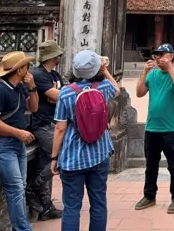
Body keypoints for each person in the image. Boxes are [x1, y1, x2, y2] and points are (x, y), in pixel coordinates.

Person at [50, 51, 119, 231]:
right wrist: (105, 71)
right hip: (99, 153)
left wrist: (54, 157)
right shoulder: (104, 87)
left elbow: (60, 128)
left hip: (73, 158)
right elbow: (117, 89)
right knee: (98, 203)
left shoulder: (65, 93)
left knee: (72, 207)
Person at [0, 51, 39, 231]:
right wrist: (18, 133)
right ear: (19, 69)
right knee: (15, 187)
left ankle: (19, 227)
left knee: (20, 187)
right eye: (26, 66)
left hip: (16, 143)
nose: (29, 69)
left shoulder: (20, 88)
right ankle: (23, 229)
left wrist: (32, 87)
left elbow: (34, 107)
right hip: (0, 144)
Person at [134, 44, 174, 215]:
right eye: (156, 55)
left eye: (162, 54)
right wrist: (144, 72)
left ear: (171, 56)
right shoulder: (153, 75)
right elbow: (140, 93)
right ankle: (149, 195)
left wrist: (170, 67)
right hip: (152, 128)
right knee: (151, 165)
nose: (158, 58)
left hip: (170, 128)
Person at [26, 40, 64, 222]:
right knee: (59, 158)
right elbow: (58, 96)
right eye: (57, 54)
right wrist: (55, 97)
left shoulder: (55, 75)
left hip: (54, 122)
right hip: (42, 123)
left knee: (44, 164)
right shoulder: (38, 74)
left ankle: (46, 206)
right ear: (52, 56)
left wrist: (55, 97)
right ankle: (33, 186)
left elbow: (60, 97)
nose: (60, 57)